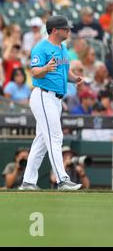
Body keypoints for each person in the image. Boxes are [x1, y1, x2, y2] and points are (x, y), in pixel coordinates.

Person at [19, 15, 85, 191]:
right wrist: (46, 68)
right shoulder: (41, 47)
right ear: (55, 30)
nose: (68, 31)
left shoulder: (62, 48)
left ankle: (27, 182)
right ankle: (62, 179)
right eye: (65, 28)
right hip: (43, 95)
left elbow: (65, 70)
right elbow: (34, 71)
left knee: (41, 141)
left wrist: (74, 78)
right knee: (55, 137)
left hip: (56, 99)